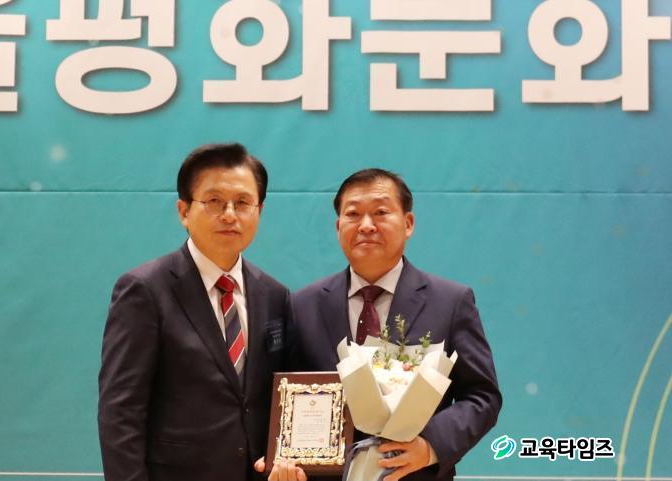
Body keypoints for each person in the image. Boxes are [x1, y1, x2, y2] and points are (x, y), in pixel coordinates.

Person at [291, 168, 502, 481]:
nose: (366, 225)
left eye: (380, 212)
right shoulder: (302, 305)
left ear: (408, 223)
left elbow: (482, 396)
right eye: (353, 214)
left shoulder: (451, 302)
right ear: (338, 226)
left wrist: (430, 445)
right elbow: (285, 396)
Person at [98, 143, 293, 481]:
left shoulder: (274, 295)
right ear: (184, 211)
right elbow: (120, 412)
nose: (229, 214)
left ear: (259, 210)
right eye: (214, 201)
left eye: (242, 202)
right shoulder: (145, 290)